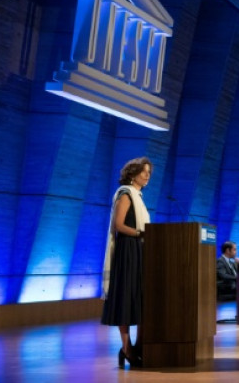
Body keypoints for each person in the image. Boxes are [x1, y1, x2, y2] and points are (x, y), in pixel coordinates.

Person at [100, 157, 152, 369]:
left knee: (138, 299)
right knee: (125, 299)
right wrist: (140, 233)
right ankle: (126, 347)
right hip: (128, 251)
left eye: (149, 172)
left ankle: (135, 346)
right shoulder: (125, 194)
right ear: (132, 174)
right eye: (143, 172)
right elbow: (119, 225)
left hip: (138, 250)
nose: (147, 176)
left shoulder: (138, 197)